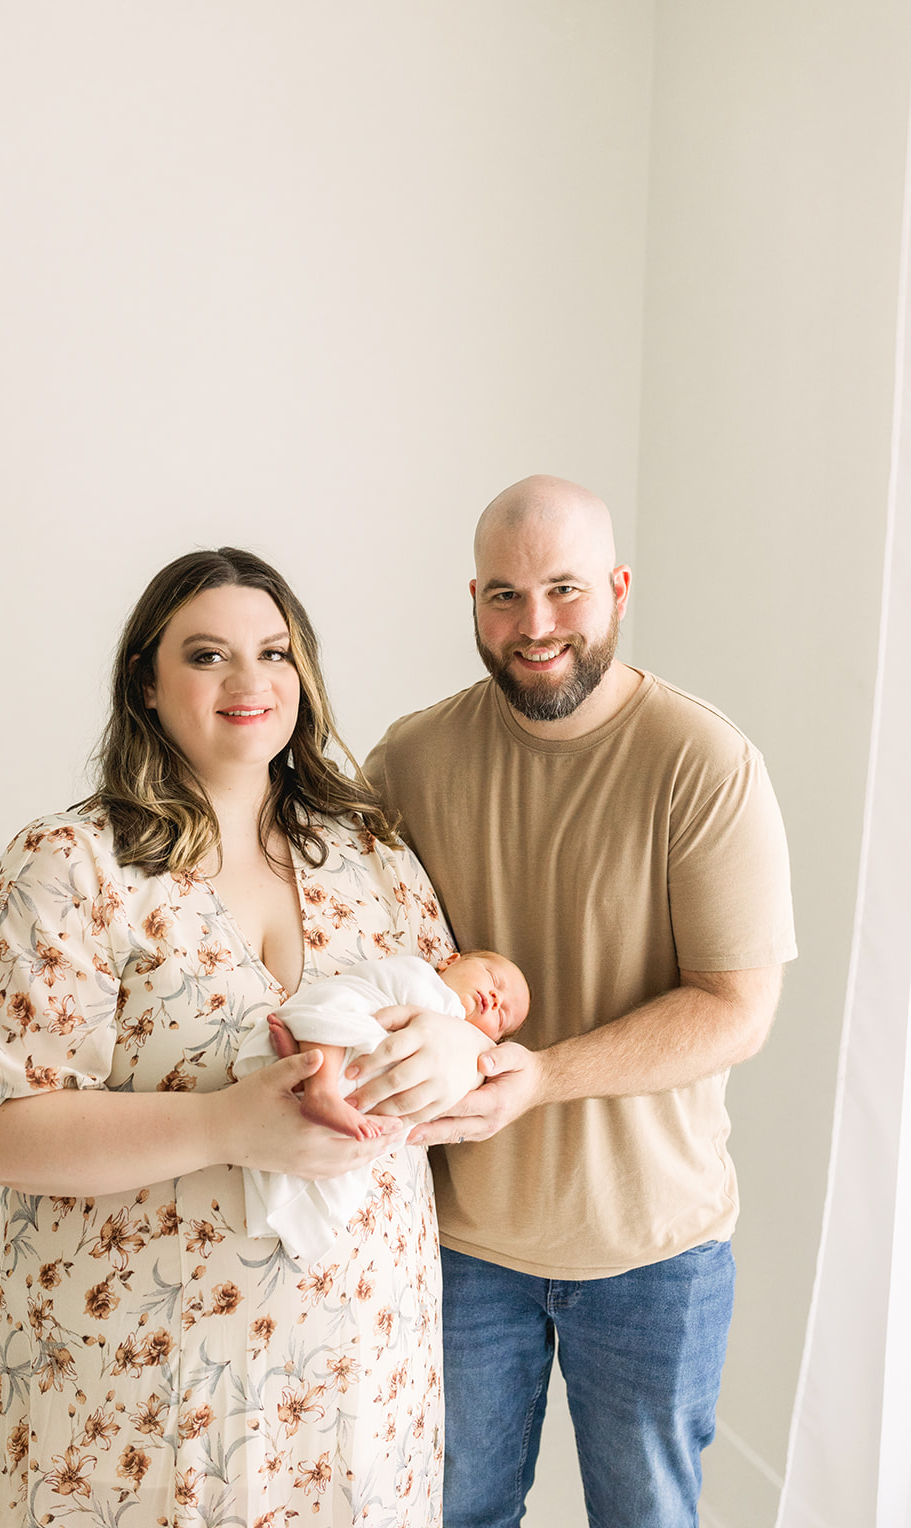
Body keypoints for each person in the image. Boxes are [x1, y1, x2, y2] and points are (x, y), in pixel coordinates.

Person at [0, 546, 486, 1528]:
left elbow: (456, 1041)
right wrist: (226, 1126)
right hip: (137, 1388)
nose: (249, 681)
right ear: (145, 679)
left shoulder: (370, 854)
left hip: (354, 1380)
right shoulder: (71, 866)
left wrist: (458, 1054)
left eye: (273, 651)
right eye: (207, 655)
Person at [355, 476, 798, 1528]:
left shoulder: (703, 762)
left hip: (654, 1252)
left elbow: (735, 1008)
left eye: (562, 589)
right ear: (471, 601)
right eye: (503, 595)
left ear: (616, 589)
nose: (534, 624)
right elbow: (354, 957)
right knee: (453, 1512)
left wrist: (543, 1075)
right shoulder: (410, 761)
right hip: (458, 1243)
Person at [234, 950, 529, 1260]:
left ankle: (302, 1077)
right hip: (360, 1021)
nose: (496, 999)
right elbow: (381, 1001)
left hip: (376, 1081)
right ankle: (319, 1089)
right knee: (341, 1008)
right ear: (451, 961)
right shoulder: (421, 978)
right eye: (493, 978)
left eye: (502, 1016)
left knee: (375, 1135)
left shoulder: (467, 1051)